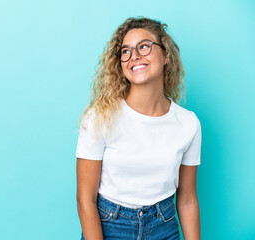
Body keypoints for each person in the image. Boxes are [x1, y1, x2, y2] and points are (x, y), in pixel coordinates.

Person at [75, 17, 202, 240]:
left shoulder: (188, 124)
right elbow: (85, 199)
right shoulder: (100, 117)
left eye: (144, 46)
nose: (134, 55)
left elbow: (187, 199)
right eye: (126, 51)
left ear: (166, 56)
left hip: (164, 227)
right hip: (110, 226)